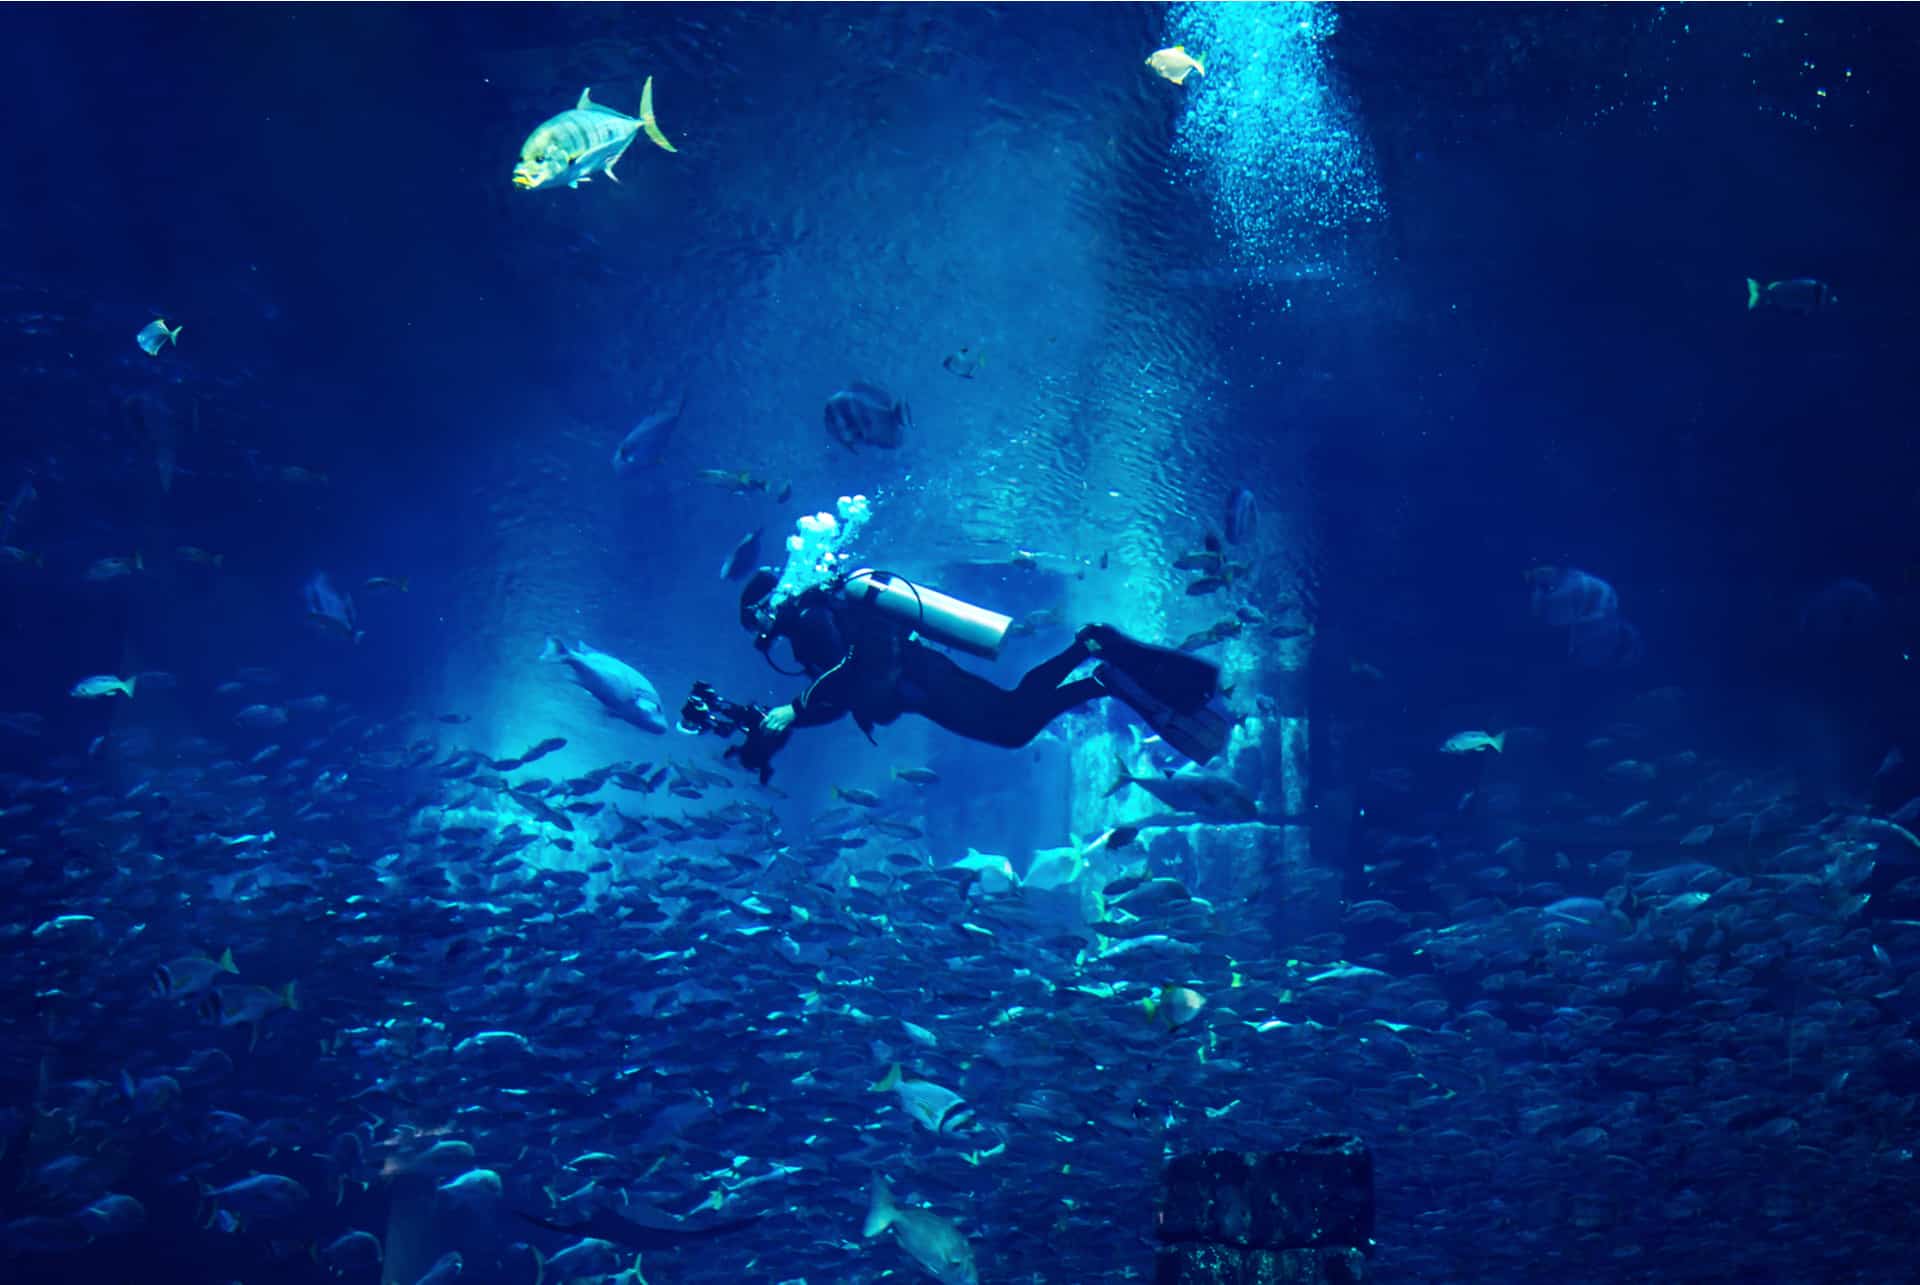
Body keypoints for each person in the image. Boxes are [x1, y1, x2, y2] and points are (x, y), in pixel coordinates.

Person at [729, 567, 1228, 778]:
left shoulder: (812, 621)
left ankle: (1089, 661)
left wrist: (792, 709)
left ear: (768, 605)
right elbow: (838, 699)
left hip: (923, 682)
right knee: (1011, 716)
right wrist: (779, 721)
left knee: (1012, 726)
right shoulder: (811, 628)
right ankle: (1090, 663)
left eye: (757, 621)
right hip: (921, 684)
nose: (760, 634)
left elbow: (854, 668)